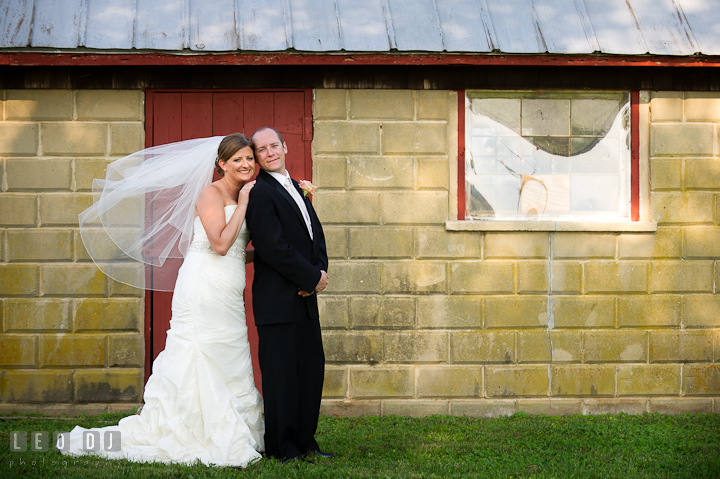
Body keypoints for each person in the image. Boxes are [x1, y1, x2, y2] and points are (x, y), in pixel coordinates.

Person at [62, 134, 264, 467]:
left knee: (230, 351)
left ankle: (235, 426)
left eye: (249, 159)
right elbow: (219, 244)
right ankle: (194, 430)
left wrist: (265, 257)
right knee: (199, 351)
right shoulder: (211, 194)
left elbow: (237, 250)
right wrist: (243, 203)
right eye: (238, 159)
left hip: (229, 287)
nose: (246, 165)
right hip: (203, 286)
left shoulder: (241, 193)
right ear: (222, 164)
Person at [246, 127, 330, 462]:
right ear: (256, 157)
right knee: (281, 379)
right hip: (278, 301)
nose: (269, 153)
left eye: (273, 146)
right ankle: (282, 447)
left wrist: (319, 271)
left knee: (310, 372)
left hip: (305, 300)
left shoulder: (296, 187)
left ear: (285, 147)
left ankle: (306, 441)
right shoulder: (260, 193)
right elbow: (271, 246)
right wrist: (310, 277)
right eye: (261, 150)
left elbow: (315, 236)